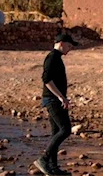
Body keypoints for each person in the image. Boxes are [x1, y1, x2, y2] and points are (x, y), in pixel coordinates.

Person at [33, 33, 79, 176]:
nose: (70, 49)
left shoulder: (56, 58)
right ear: (61, 43)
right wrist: (61, 97)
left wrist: (62, 97)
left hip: (54, 99)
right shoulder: (52, 57)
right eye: (69, 46)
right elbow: (46, 79)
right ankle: (44, 159)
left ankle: (53, 168)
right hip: (52, 100)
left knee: (56, 133)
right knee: (65, 129)